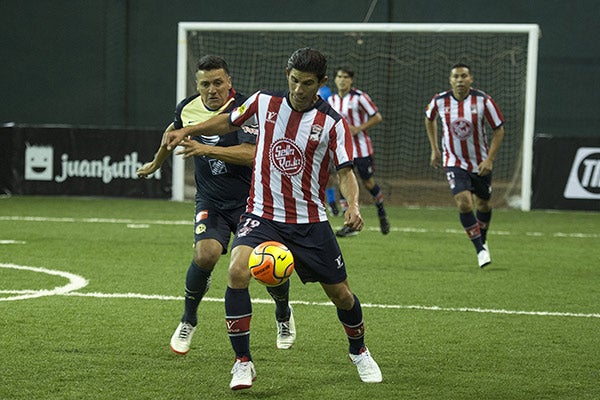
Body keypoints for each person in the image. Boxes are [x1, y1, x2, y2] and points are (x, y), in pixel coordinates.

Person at [166, 47, 382, 390]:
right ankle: (243, 363)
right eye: (294, 81)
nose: (299, 89)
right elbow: (228, 119)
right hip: (262, 212)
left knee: (341, 294)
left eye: (307, 83)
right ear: (287, 75)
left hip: (309, 220)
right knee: (237, 269)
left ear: (321, 83)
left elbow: (345, 172)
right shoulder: (264, 101)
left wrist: (353, 205)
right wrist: (189, 130)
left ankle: (359, 351)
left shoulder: (332, 123)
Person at [137, 55, 295, 356]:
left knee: (264, 263)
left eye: (218, 82)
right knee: (205, 254)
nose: (212, 89)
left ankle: (283, 312)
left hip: (253, 201)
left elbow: (252, 153)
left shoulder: (246, 108)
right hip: (211, 199)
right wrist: (156, 162)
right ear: (198, 85)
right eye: (205, 84)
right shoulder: (187, 108)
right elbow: (173, 130)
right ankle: (188, 319)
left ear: (229, 83)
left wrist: (206, 148)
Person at [424, 63, 505, 268]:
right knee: (464, 202)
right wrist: (435, 148)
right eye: (456, 77)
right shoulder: (439, 101)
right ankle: (480, 250)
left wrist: (489, 159)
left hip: (480, 163)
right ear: (450, 80)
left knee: (484, 204)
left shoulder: (483, 101)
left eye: (463, 76)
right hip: (454, 161)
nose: (460, 80)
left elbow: (499, 129)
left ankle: (482, 240)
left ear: (471, 79)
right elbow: (429, 119)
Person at [327, 67, 390, 236]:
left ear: (351, 80)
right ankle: (350, 224)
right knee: (343, 179)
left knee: (368, 183)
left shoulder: (360, 98)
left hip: (361, 149)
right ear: (335, 80)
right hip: (342, 149)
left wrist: (358, 128)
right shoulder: (331, 100)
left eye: (346, 77)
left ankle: (381, 212)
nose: (342, 80)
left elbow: (377, 116)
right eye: (339, 77)